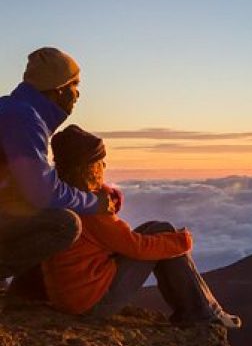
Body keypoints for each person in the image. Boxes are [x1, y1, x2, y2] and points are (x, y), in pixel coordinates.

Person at [43, 124, 241, 328]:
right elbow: (136, 247)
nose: (104, 166)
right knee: (164, 237)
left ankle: (202, 310)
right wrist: (182, 241)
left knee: (158, 230)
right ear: (88, 168)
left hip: (69, 295)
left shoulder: (64, 197)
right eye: (100, 161)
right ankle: (203, 313)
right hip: (92, 302)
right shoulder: (91, 209)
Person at [0, 48, 113, 295]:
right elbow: (43, 193)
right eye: (75, 85)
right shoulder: (24, 118)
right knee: (64, 224)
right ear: (59, 88)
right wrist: (94, 203)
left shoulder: (11, 109)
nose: (78, 93)